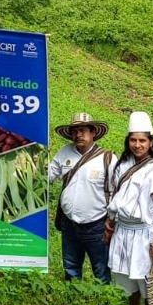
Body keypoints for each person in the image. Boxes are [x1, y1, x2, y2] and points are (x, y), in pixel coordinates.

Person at [105, 111, 153, 305]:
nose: (137, 145)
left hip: (145, 233)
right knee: (127, 277)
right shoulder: (123, 165)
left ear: (151, 142)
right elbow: (117, 196)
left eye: (142, 140)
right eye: (133, 140)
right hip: (123, 231)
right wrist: (111, 223)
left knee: (148, 280)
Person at [49, 113, 113, 283]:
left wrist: (111, 222)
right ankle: (73, 298)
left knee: (101, 269)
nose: (78, 135)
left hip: (96, 226)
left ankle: (102, 303)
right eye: (75, 131)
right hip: (69, 223)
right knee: (70, 266)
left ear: (93, 133)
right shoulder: (65, 152)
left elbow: (117, 192)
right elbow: (48, 175)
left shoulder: (107, 158)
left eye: (83, 130)